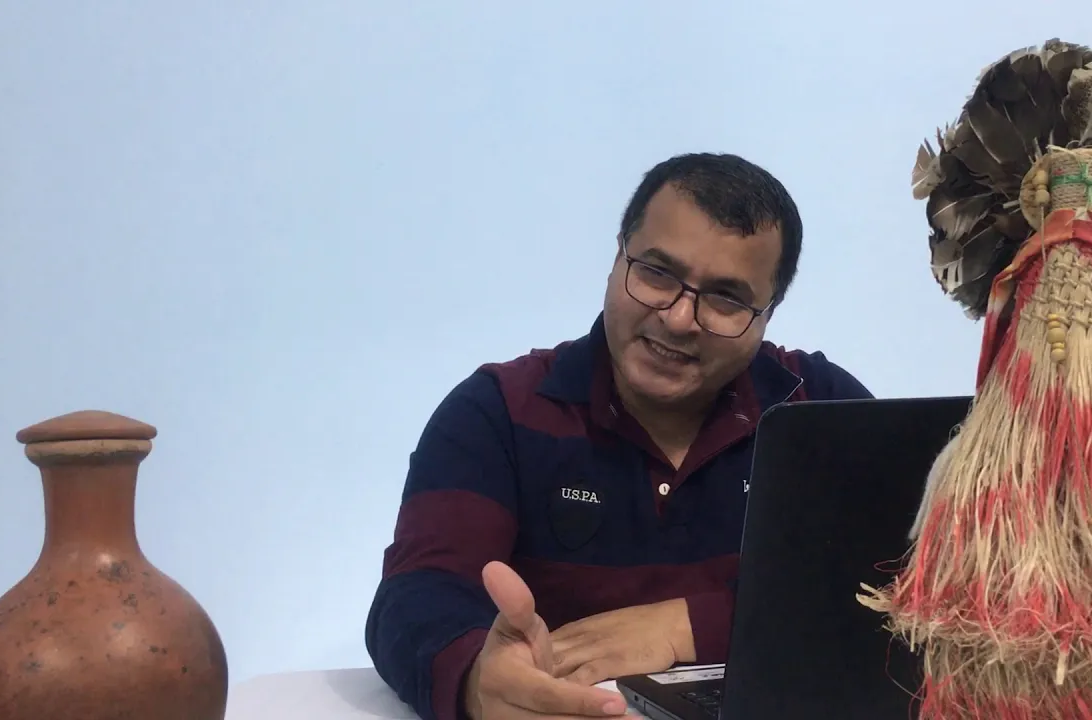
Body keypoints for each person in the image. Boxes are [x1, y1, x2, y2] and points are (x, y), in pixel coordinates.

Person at [365, 152, 873, 719]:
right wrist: (477, 680)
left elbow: (909, 591)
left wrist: (690, 625)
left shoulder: (821, 407)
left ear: (768, 313)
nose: (678, 319)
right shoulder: (496, 412)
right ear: (616, 259)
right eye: (656, 273)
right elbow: (414, 596)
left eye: (726, 299)